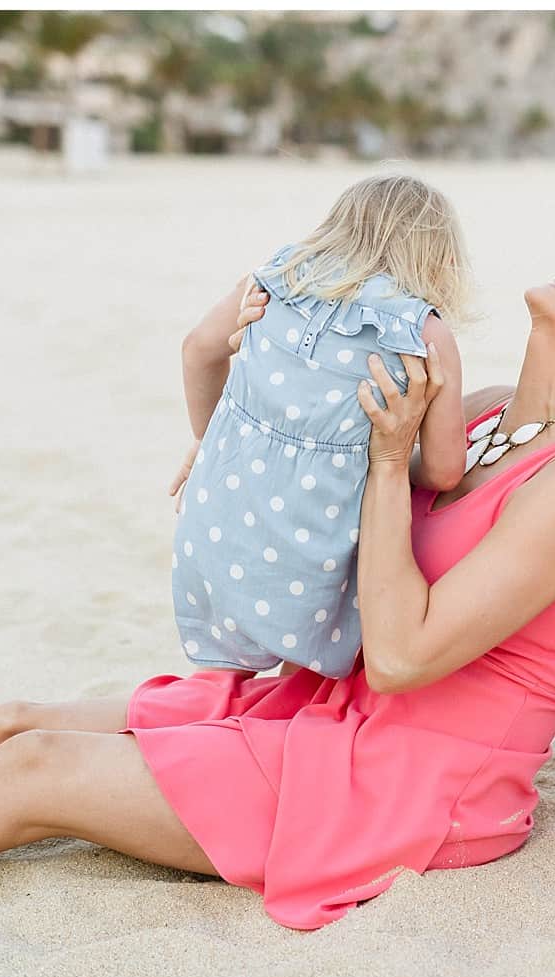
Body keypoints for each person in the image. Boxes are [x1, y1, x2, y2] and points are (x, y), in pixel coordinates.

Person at [0, 249, 555, 931]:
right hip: (323, 708)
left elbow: (403, 655)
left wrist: (392, 455)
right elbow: (332, 511)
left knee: (30, 768)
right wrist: (240, 449)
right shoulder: (481, 417)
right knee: (5, 721)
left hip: (401, 787)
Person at [168, 173, 470, 679]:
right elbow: (444, 469)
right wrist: (377, 459)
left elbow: (198, 349)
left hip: (214, 513)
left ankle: (194, 720)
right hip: (312, 540)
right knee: (300, 675)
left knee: (219, 676)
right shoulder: (422, 332)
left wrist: (208, 438)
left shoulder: (275, 278)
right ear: (437, 255)